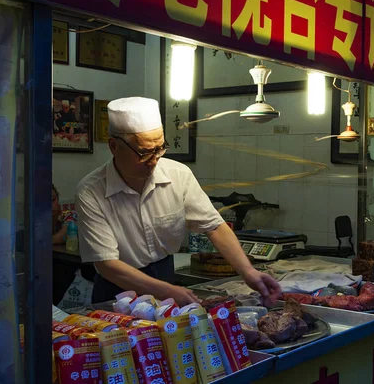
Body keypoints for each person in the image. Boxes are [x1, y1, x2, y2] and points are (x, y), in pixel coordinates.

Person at [76, 97, 281, 306]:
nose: (154, 161)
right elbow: (106, 264)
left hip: (164, 275)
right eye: (145, 152)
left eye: (159, 148)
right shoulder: (91, 191)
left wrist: (248, 271)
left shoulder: (178, 174)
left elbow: (214, 227)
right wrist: (166, 290)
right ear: (114, 146)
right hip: (117, 290)